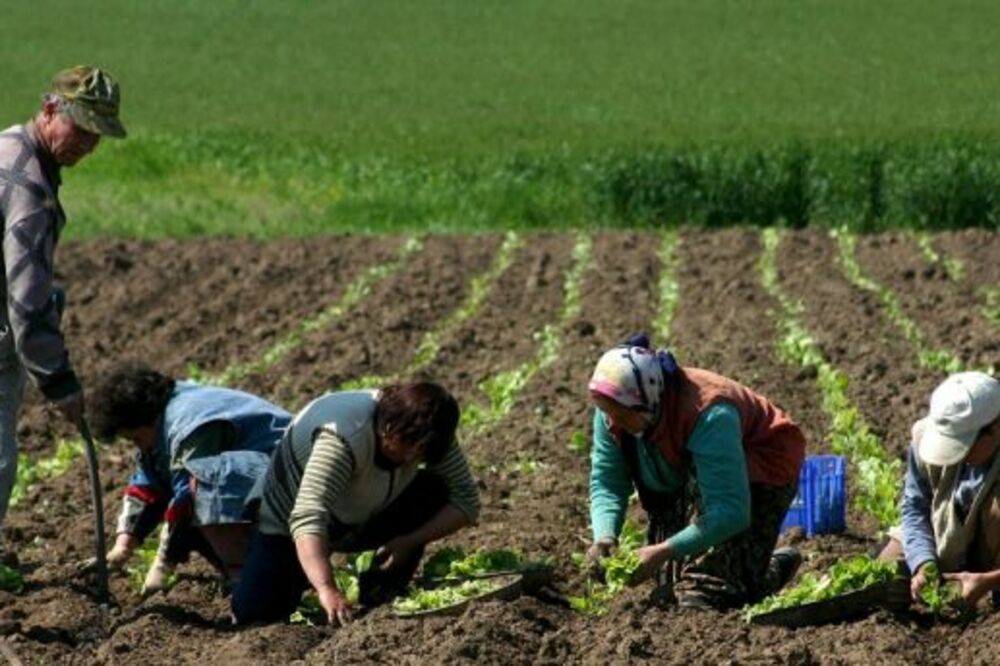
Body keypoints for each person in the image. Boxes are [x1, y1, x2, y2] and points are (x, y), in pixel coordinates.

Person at [585, 335, 806, 610]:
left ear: (650, 400)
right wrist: (605, 536)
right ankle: (756, 567)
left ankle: (757, 572)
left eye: (623, 415)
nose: (614, 421)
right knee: (669, 584)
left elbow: (730, 510)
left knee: (701, 593)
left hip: (761, 466)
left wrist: (664, 550)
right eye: (609, 413)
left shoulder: (709, 413)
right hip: (690, 470)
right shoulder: (615, 408)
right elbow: (607, 482)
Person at [231, 382, 480, 626]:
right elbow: (307, 516)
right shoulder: (344, 436)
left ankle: (380, 591)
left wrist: (410, 540)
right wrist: (326, 588)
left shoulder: (429, 434)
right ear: (388, 428)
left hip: (360, 513)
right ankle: (301, 569)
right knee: (256, 613)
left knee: (435, 489)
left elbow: (466, 499)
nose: (410, 459)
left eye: (419, 456)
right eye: (406, 451)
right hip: (289, 524)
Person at [0, 66, 126, 547]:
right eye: (82, 128)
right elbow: (27, 302)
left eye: (98, 135)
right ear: (51, 109)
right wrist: (59, 382)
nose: (88, 145)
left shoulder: (7, 143)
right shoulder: (30, 190)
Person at [89, 364, 291, 592]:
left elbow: (186, 495)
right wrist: (122, 548)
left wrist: (163, 564)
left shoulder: (190, 426)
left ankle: (260, 579)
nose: (139, 447)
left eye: (136, 438)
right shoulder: (162, 417)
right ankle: (248, 574)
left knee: (202, 499)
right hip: (264, 477)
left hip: (288, 479)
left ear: (147, 421)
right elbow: (149, 481)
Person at [881, 372, 1000, 610]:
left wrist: (988, 581)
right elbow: (915, 507)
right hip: (947, 537)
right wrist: (924, 564)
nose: (961, 456)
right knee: (886, 580)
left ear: (995, 428)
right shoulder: (925, 437)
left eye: (966, 445)